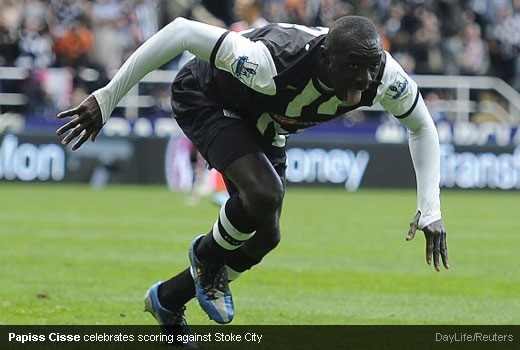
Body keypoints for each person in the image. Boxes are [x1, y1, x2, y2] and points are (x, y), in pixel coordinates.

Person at [56, 14, 449, 342]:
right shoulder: (270, 61)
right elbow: (180, 31)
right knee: (263, 194)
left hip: (264, 120)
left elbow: (422, 127)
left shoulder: (382, 75)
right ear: (326, 57)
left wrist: (430, 209)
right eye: (353, 67)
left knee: (267, 235)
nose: (365, 79)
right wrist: (107, 98)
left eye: (371, 66)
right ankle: (206, 258)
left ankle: (168, 299)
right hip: (206, 96)